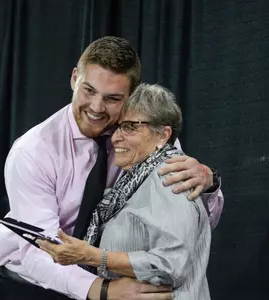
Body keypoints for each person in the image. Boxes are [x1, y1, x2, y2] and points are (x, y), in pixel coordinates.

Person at [0, 36, 223, 300]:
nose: (96, 108)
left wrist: (207, 184)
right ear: (74, 78)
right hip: (34, 287)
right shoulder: (33, 151)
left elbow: (187, 227)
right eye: (88, 91)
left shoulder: (149, 140)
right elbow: (41, 249)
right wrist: (100, 289)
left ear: (132, 95)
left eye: (112, 98)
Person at [38, 83, 211, 300]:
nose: (116, 137)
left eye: (130, 127)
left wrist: (92, 256)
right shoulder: (133, 183)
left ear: (163, 135)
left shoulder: (170, 177)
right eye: (118, 127)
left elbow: (170, 264)